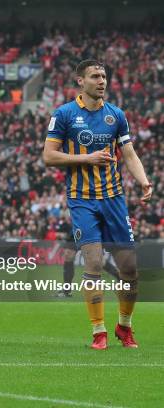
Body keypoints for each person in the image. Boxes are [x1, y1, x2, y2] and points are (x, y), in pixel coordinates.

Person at [43, 59, 152, 349]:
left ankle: (124, 327)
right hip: (82, 201)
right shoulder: (64, 114)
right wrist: (86, 158)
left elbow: (128, 154)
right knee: (92, 263)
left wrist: (142, 180)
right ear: (81, 81)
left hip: (114, 200)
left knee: (129, 269)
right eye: (95, 76)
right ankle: (99, 332)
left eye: (104, 76)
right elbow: (49, 156)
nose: (101, 80)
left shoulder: (116, 115)